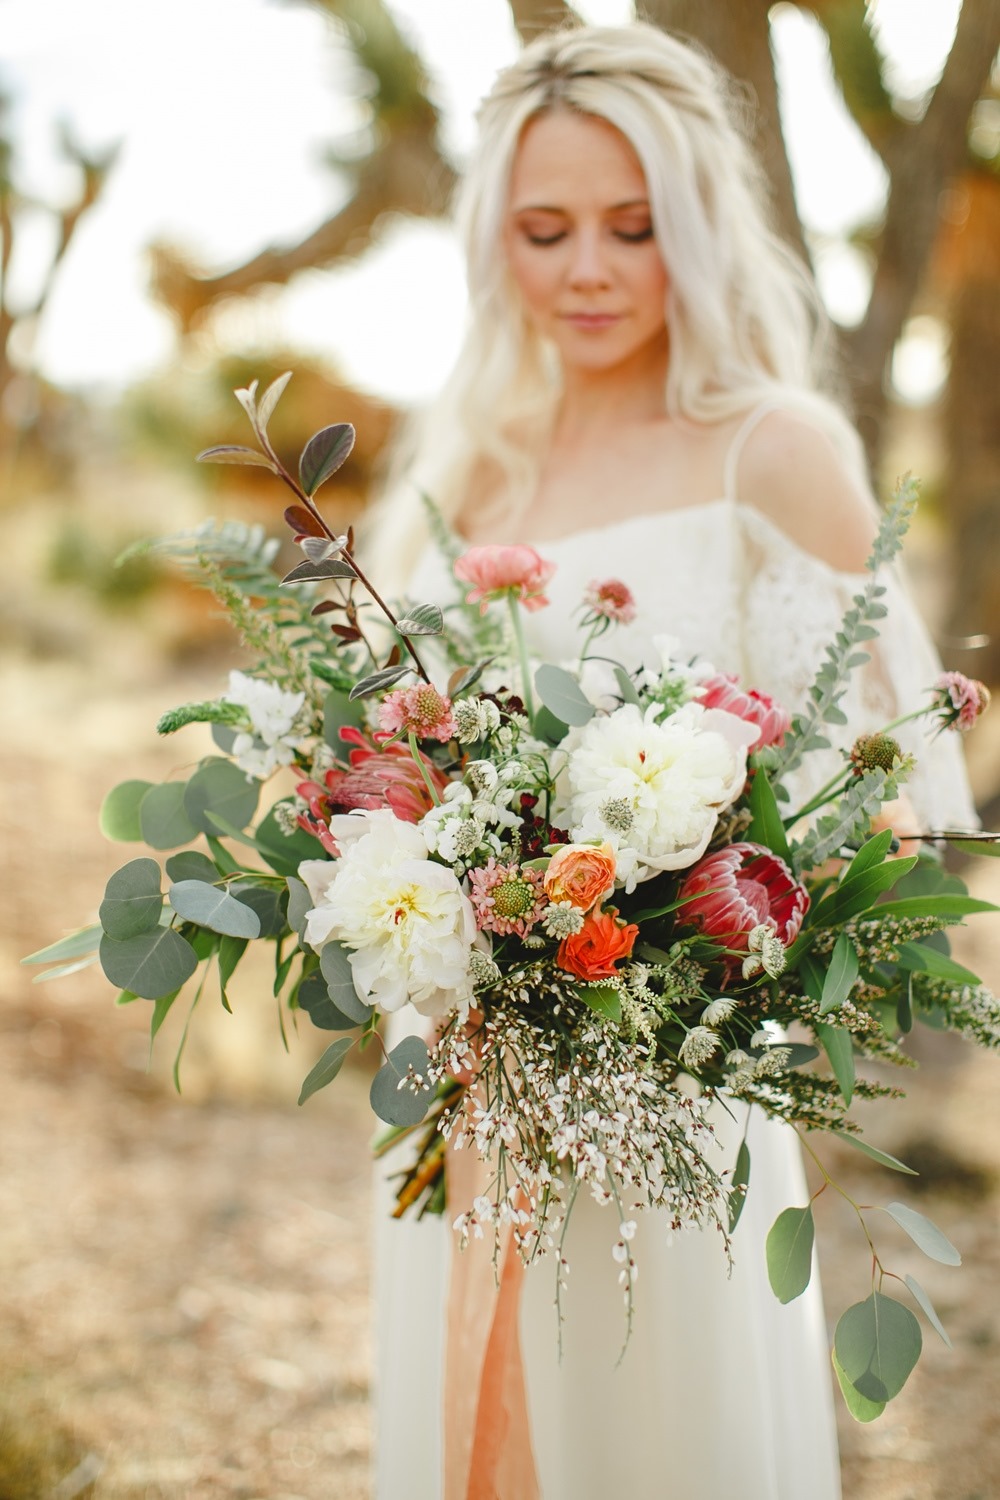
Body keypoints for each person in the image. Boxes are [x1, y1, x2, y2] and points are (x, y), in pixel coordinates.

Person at [370, 22, 977, 1499]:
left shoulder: (765, 448)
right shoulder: (471, 472)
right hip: (470, 1077)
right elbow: (390, 747)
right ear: (493, 241)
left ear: (696, 231)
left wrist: (736, 929)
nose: (588, 267)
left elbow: (903, 756)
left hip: (678, 1090)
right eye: (547, 228)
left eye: (633, 228)